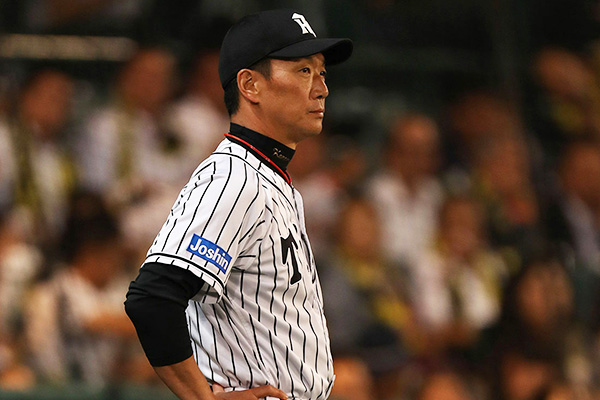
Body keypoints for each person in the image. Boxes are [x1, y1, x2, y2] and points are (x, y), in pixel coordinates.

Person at [125, 9, 352, 400]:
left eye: (322, 73)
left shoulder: (268, 180)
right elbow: (153, 298)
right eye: (303, 71)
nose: (321, 89)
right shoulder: (234, 179)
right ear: (250, 85)